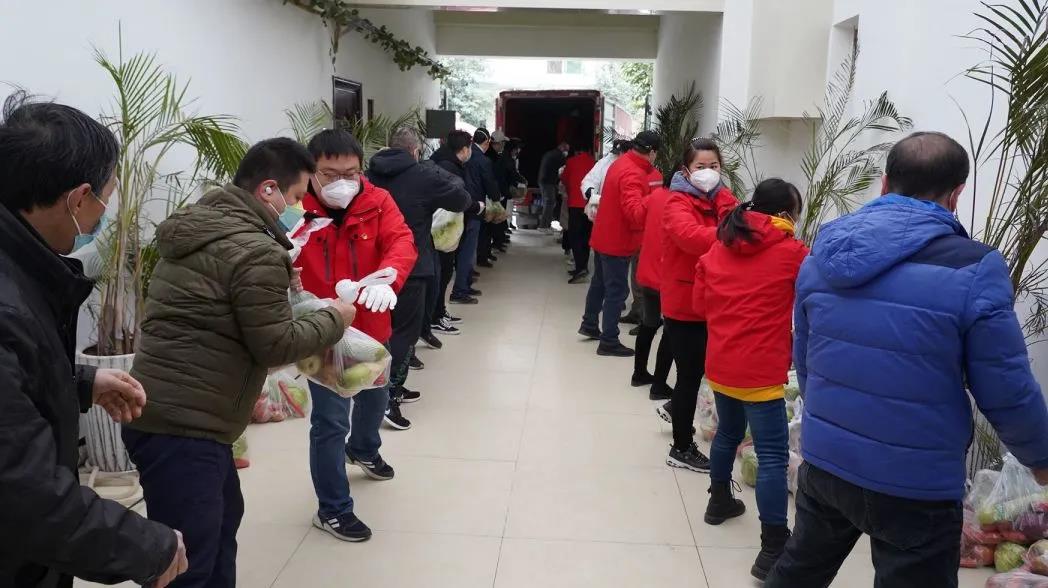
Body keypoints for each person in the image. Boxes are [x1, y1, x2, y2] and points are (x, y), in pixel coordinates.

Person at [767, 132, 1048, 587]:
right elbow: (1006, 388)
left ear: (884, 183)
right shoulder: (974, 267)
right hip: (914, 482)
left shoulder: (823, 254)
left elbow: (806, 358)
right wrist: (1040, 456)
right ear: (956, 194)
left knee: (799, 571)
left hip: (828, 458)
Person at [125, 137, 356, 586]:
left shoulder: (204, 226)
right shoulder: (256, 250)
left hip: (168, 413)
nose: (298, 208)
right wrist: (335, 318)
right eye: (295, 197)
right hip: (187, 425)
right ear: (268, 189)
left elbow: (219, 308)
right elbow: (275, 345)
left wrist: (279, 287)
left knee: (219, 527)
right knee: (188, 564)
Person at [0, 92, 187, 588]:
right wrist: (148, 548)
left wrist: (78, 382)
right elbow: (22, 491)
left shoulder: (24, 269)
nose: (104, 213)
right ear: (78, 198)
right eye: (106, 197)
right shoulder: (8, 302)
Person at [295, 129, 417, 541]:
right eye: (330, 175)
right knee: (330, 421)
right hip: (322, 330)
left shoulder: (378, 201)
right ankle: (333, 509)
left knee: (375, 396)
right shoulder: (295, 210)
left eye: (350, 173)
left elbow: (401, 241)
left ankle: (363, 449)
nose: (341, 182)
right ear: (311, 172)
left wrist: (390, 278)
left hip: (372, 325)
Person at [693, 178, 808, 581]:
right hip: (760, 372)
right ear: (785, 214)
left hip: (722, 363)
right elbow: (813, 300)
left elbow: (699, 303)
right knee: (773, 454)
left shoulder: (719, 245)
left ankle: (718, 501)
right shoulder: (793, 253)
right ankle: (773, 546)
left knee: (727, 433)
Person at [367, 127, 471, 426]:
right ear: (415, 151)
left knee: (377, 330)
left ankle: (377, 390)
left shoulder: (367, 175)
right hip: (410, 266)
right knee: (404, 333)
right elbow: (461, 200)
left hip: (371, 268)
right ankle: (389, 396)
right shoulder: (423, 175)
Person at [659, 139, 737, 473]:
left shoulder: (721, 197)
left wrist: (723, 201)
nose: (708, 173)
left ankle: (677, 410)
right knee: (689, 375)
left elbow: (737, 218)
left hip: (714, 300)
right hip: (684, 302)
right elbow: (690, 237)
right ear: (686, 171)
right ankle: (681, 447)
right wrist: (730, 233)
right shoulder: (676, 202)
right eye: (700, 167)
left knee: (697, 372)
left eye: (714, 166)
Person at [579, 131, 662, 357]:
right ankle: (609, 340)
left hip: (604, 235)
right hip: (618, 241)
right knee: (617, 291)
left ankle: (589, 323)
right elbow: (634, 213)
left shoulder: (620, 162)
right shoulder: (633, 173)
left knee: (599, 283)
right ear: (652, 152)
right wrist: (656, 198)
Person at [429, 130, 476, 332]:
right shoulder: (448, 167)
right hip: (442, 230)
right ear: (464, 149)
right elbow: (455, 198)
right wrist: (475, 206)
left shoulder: (443, 161)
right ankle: (435, 316)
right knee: (442, 273)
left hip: (443, 229)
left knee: (445, 272)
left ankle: (439, 311)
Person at [633, 182, 675, 401]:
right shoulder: (683, 203)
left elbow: (637, 216)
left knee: (648, 323)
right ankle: (659, 385)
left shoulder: (656, 195)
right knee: (671, 330)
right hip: (668, 276)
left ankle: (639, 373)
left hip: (647, 270)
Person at [453, 128, 497, 304]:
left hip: (462, 207)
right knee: (468, 251)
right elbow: (489, 183)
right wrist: (496, 198)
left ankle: (465, 284)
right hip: (474, 208)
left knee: (464, 250)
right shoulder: (482, 160)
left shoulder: (460, 158)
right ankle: (461, 289)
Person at [562, 147, 596, 283]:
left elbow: (564, 179)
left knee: (574, 236)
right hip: (590, 203)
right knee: (586, 236)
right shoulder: (594, 162)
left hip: (575, 204)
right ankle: (583, 266)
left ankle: (580, 267)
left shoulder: (571, 161)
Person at [538, 141, 570, 231]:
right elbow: (566, 166)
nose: (567, 152)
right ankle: (544, 226)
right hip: (548, 182)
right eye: (566, 150)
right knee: (549, 203)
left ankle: (546, 224)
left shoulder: (551, 153)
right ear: (562, 147)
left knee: (549, 203)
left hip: (545, 180)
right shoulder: (558, 155)